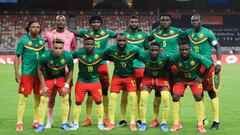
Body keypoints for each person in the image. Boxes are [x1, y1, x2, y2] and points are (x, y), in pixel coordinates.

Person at [75, 15, 117, 126]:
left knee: (104, 92)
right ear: (90, 24)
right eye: (93, 22)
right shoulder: (85, 33)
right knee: (89, 93)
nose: (96, 24)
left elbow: (121, 35)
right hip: (90, 65)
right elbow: (73, 33)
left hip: (102, 66)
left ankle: (106, 118)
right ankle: (88, 118)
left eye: (98, 22)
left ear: (101, 23)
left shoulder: (107, 33)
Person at [185, 13, 222, 129]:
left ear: (201, 21)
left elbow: (218, 47)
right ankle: (203, 119)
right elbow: (176, 36)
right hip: (195, 67)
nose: (194, 22)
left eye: (196, 20)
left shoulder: (208, 33)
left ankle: (216, 121)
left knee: (211, 92)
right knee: (198, 94)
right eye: (192, 21)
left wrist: (219, 62)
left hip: (208, 66)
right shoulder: (188, 33)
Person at [169, 37, 213, 133]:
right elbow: (167, 65)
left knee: (198, 97)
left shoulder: (196, 56)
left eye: (186, 49)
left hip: (194, 80)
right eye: (182, 50)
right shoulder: (175, 57)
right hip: (181, 80)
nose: (184, 52)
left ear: (190, 49)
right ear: (179, 49)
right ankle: (176, 123)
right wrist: (174, 77)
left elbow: (209, 65)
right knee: (175, 97)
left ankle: (200, 124)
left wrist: (202, 78)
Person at [148, 13, 184, 128]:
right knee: (157, 94)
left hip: (173, 66)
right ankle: (155, 119)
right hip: (160, 67)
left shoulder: (177, 31)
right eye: (162, 20)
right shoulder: (155, 32)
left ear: (170, 21)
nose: (164, 22)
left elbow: (189, 39)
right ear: (160, 21)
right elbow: (145, 40)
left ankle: (177, 120)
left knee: (175, 94)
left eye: (166, 20)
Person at [43, 15, 77, 128]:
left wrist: (70, 60)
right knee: (51, 96)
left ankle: (68, 119)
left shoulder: (71, 35)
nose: (61, 22)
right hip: (51, 70)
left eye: (63, 20)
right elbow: (40, 43)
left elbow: (73, 48)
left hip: (66, 71)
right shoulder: (49, 34)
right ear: (55, 21)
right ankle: (49, 120)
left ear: (65, 22)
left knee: (68, 96)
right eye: (58, 20)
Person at [105, 34, 143, 131]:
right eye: (119, 41)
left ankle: (133, 122)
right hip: (117, 77)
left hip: (130, 77)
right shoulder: (111, 49)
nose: (121, 43)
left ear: (127, 41)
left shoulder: (134, 49)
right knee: (112, 97)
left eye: (123, 41)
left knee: (133, 97)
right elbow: (102, 55)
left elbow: (144, 55)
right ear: (116, 41)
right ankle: (112, 123)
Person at [35, 38, 73, 132]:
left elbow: (71, 70)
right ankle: (40, 125)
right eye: (56, 48)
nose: (58, 50)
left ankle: (64, 124)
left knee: (65, 97)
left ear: (63, 47)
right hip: (48, 79)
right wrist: (43, 85)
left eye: (60, 48)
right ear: (52, 47)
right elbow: (39, 70)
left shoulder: (68, 56)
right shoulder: (45, 56)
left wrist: (66, 85)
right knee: (43, 98)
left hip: (61, 78)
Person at [118, 15, 149, 127]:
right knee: (125, 94)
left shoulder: (143, 35)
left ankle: (139, 119)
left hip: (140, 67)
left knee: (139, 94)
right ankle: (123, 119)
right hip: (127, 68)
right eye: (132, 21)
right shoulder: (124, 35)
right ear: (129, 22)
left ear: (138, 23)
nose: (134, 23)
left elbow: (146, 50)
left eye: (136, 21)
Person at [14, 20, 45, 131]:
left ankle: (36, 121)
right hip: (27, 74)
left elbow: (44, 56)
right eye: (33, 27)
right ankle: (19, 122)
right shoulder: (23, 41)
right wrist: (16, 72)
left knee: (38, 99)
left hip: (39, 74)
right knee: (23, 98)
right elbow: (17, 56)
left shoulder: (42, 41)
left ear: (39, 29)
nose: (35, 29)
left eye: (37, 27)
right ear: (29, 28)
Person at [71, 37, 107, 131]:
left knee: (99, 101)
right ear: (84, 45)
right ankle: (75, 124)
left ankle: (100, 123)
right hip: (81, 81)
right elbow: (68, 56)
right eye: (87, 44)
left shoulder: (100, 53)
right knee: (78, 102)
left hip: (95, 81)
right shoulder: (79, 53)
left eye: (91, 44)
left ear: (94, 45)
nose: (89, 46)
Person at [138, 42, 171, 132]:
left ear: (159, 50)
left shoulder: (165, 56)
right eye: (152, 50)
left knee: (165, 97)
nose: (154, 52)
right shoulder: (143, 56)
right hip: (147, 78)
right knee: (143, 98)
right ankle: (143, 123)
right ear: (149, 50)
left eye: (156, 50)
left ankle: (164, 123)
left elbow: (170, 64)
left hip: (161, 78)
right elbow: (135, 54)